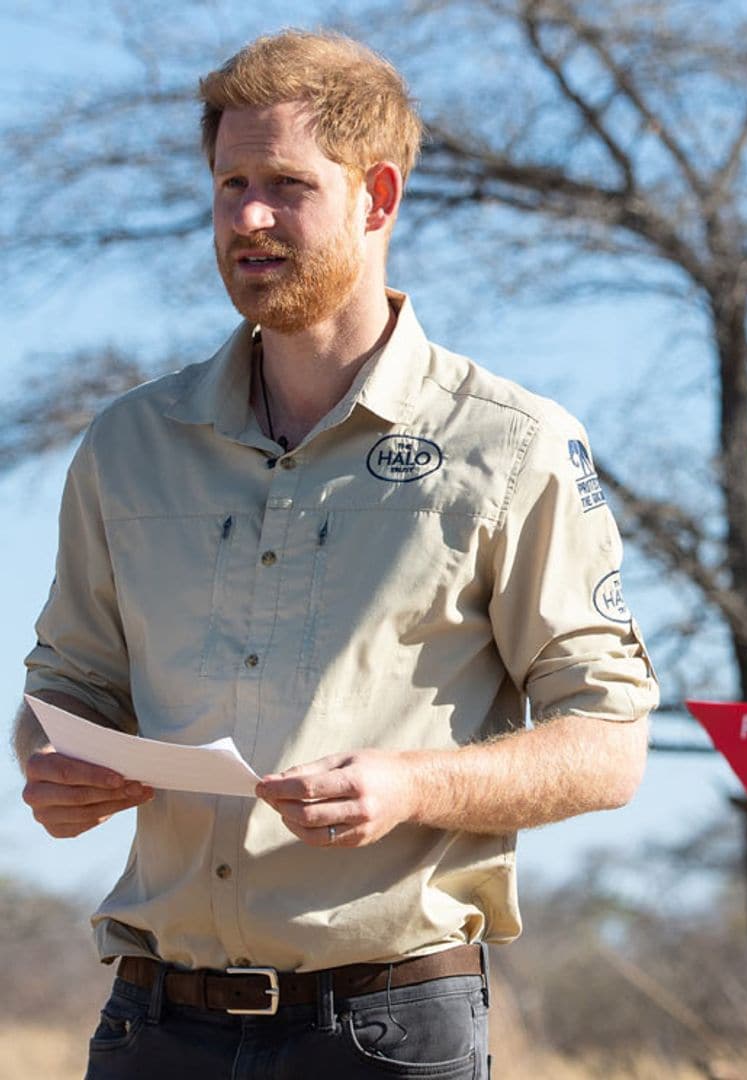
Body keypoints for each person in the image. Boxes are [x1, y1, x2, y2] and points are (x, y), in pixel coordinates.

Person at [13, 29, 658, 1080]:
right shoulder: (128, 445)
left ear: (378, 195)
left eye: (285, 186)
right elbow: (64, 685)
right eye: (230, 183)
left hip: (386, 1032)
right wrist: (51, 762)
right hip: (150, 1026)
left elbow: (609, 743)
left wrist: (413, 786)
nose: (248, 219)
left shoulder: (512, 446)